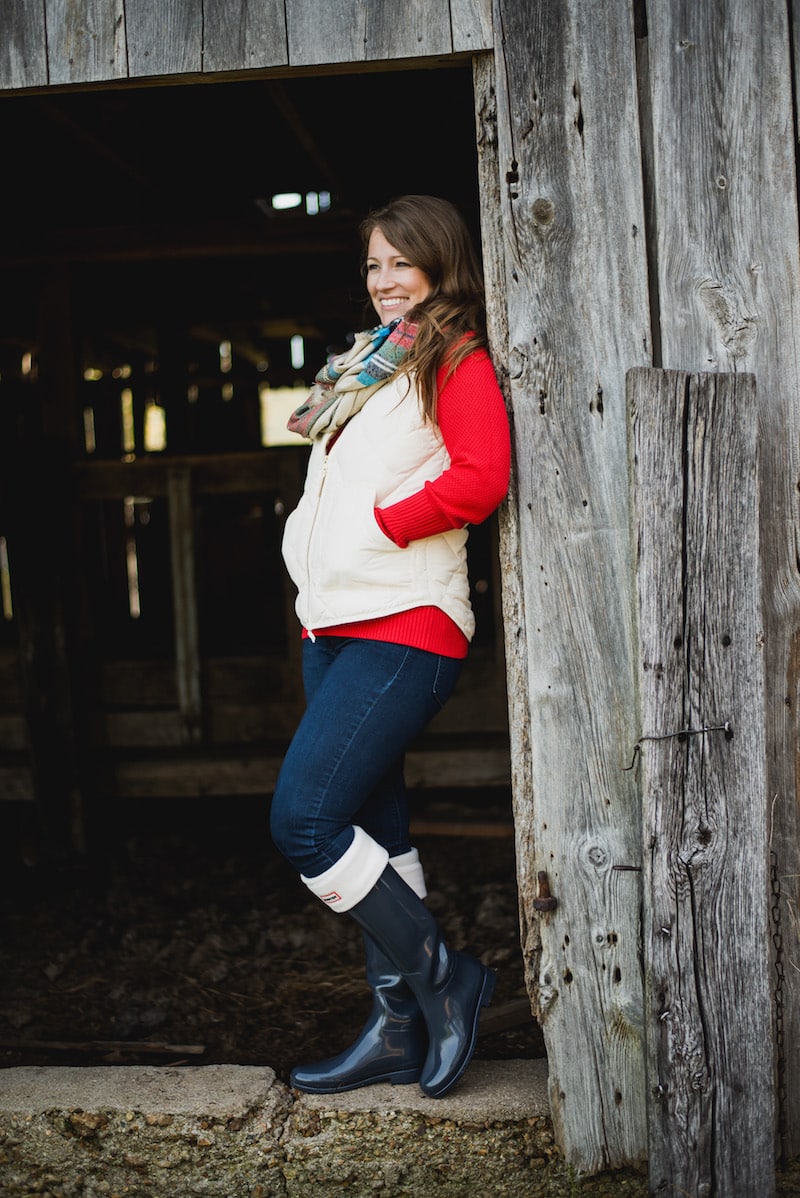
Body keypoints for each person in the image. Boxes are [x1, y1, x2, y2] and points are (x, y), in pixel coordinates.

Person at [270, 194, 511, 1099]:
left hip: (405, 623)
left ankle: (446, 980)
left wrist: (385, 524)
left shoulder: (452, 354)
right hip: (333, 625)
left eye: (401, 264)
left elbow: (481, 474)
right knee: (374, 827)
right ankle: (395, 1025)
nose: (384, 282)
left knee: (304, 820)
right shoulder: (367, 368)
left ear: (440, 266)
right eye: (373, 265)